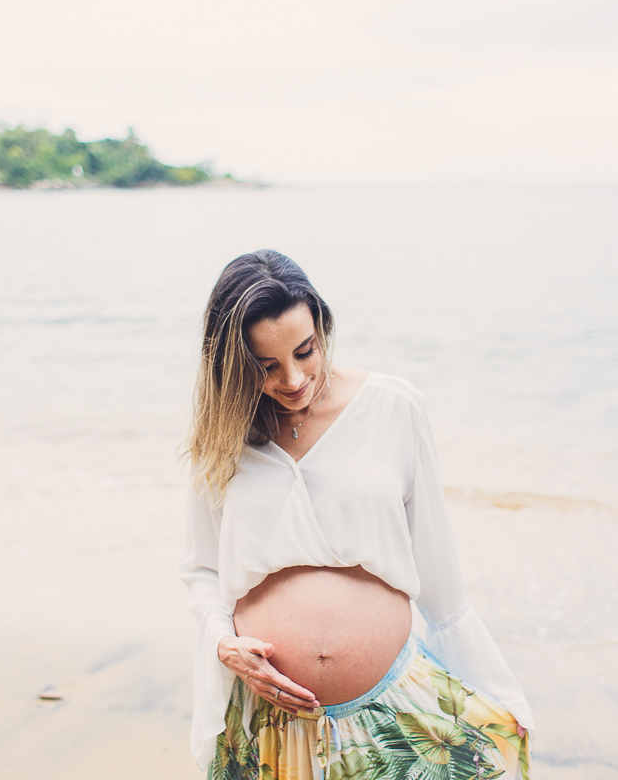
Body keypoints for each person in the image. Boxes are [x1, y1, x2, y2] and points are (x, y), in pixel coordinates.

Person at [178, 250, 534, 780]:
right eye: (266, 366)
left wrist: (497, 692)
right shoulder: (223, 434)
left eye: (306, 351)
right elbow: (203, 568)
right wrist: (223, 643)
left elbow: (441, 583)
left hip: (392, 714)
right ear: (233, 363)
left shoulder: (395, 408)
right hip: (270, 724)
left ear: (322, 327)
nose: (294, 379)